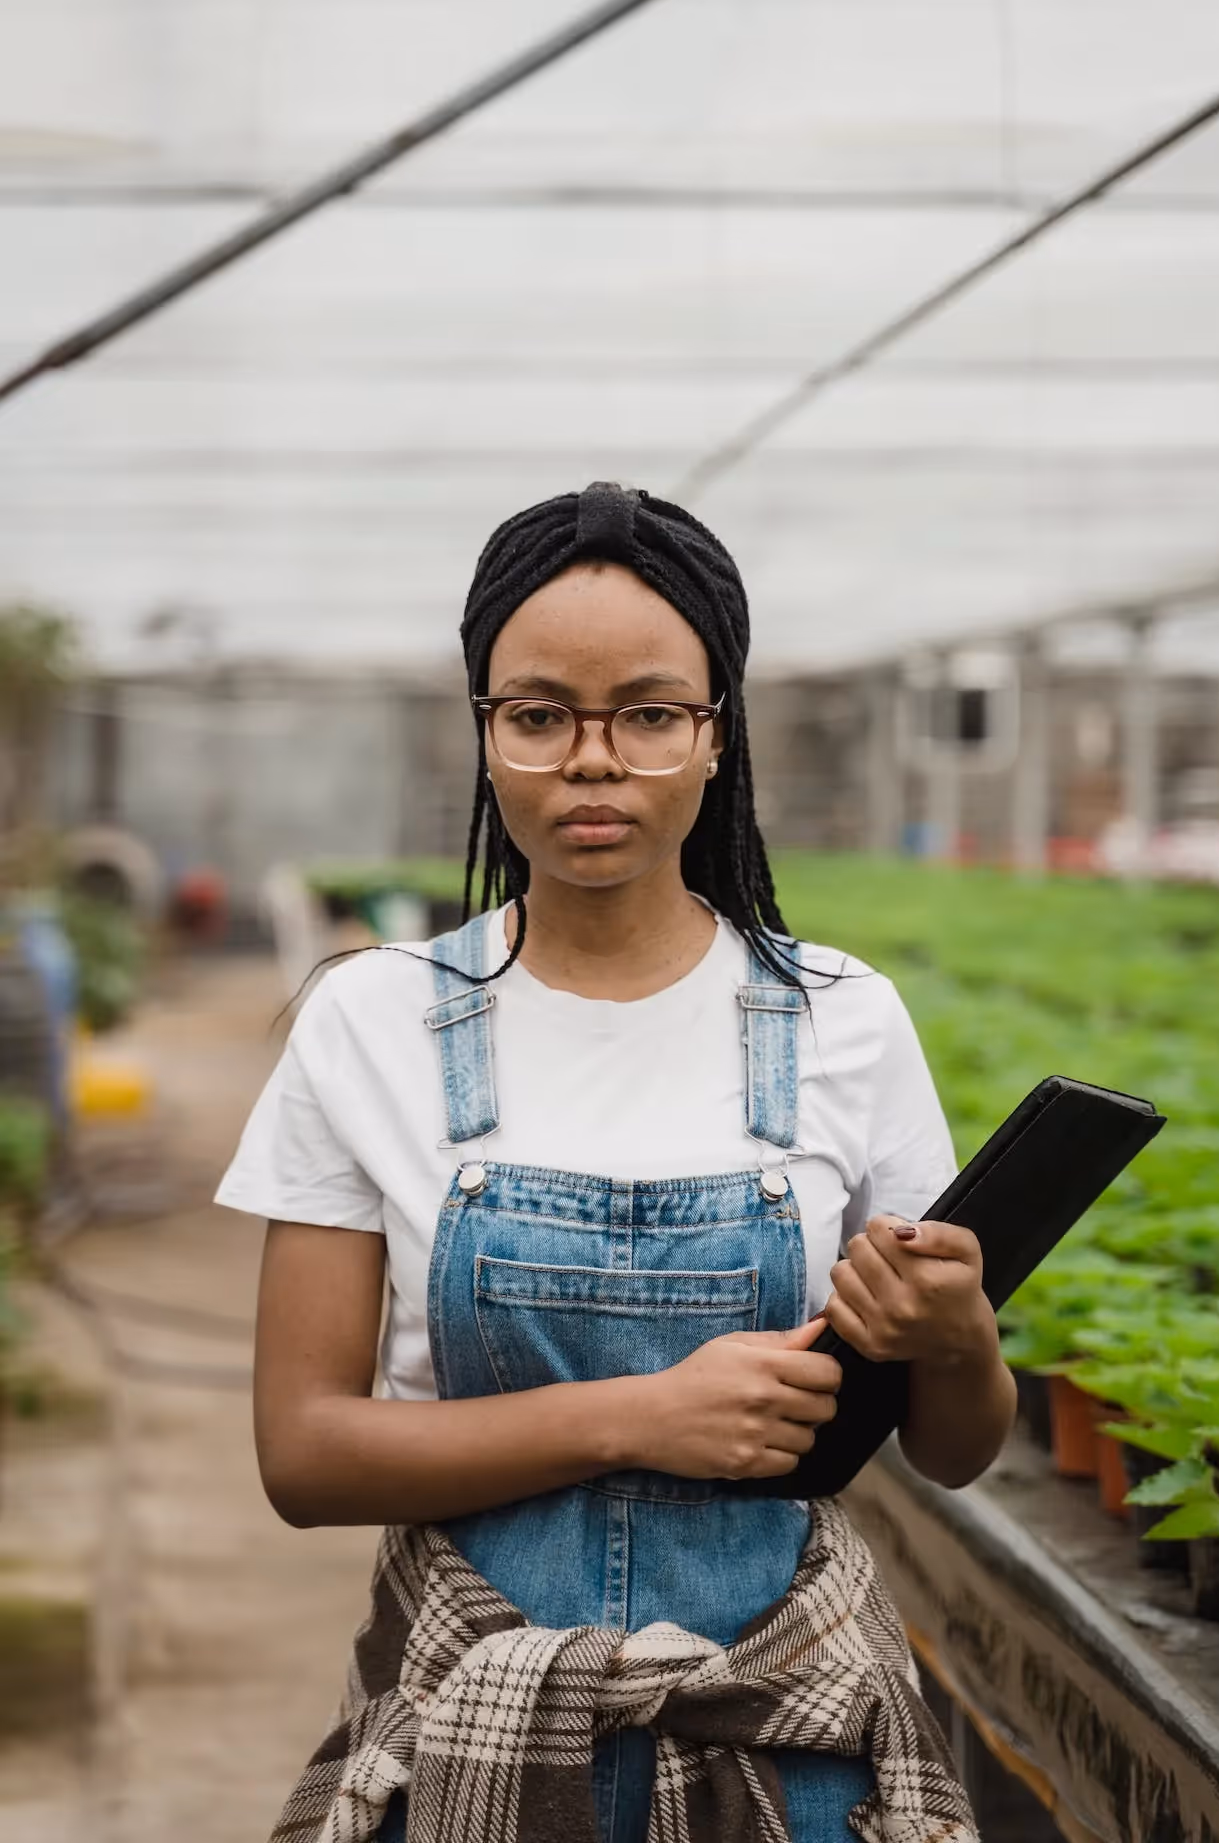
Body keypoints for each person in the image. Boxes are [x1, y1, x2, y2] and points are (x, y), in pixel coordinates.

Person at [216, 483, 1014, 1842]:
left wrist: (956, 1341)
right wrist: (636, 1420)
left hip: (788, 1743)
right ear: (485, 737)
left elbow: (954, 1450)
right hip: (476, 1736)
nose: (593, 760)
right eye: (538, 714)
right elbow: (304, 1453)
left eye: (649, 714)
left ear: (717, 740)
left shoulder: (842, 1019)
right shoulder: (373, 1022)